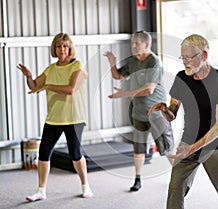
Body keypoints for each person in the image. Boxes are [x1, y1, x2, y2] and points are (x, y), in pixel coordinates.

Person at [148, 34, 218, 209]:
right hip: (188, 142)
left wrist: (192, 148)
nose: (185, 62)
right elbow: (172, 114)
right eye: (183, 57)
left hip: (217, 146)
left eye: (189, 57)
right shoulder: (182, 78)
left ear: (204, 56)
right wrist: (164, 110)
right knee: (175, 187)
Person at [17, 33, 93, 201]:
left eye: (65, 46)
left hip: (74, 118)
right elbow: (35, 86)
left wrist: (48, 85)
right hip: (53, 118)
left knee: (75, 153)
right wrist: (29, 77)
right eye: (59, 46)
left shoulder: (77, 66)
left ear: (70, 48)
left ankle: (85, 185)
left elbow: (71, 89)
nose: (62, 50)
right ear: (54, 49)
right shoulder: (51, 69)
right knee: (43, 153)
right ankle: (41, 190)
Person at [104, 30, 174, 192]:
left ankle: (179, 177)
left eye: (137, 43)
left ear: (147, 45)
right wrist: (112, 62)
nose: (133, 46)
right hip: (139, 113)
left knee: (167, 149)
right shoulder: (132, 61)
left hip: (157, 113)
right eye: (132, 43)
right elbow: (118, 76)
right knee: (139, 148)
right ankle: (137, 179)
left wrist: (124, 94)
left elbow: (149, 90)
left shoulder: (154, 62)